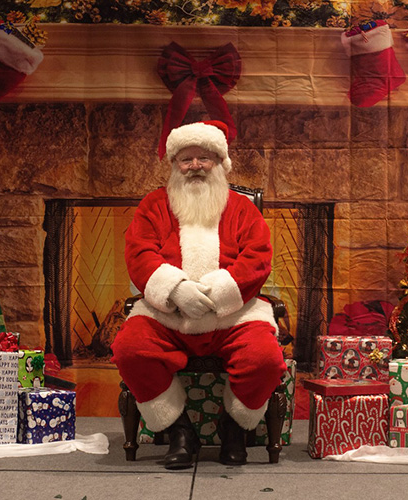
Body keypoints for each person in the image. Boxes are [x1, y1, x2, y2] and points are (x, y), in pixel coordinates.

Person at [111, 120, 286, 469]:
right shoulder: (153, 205)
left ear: (220, 162)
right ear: (174, 164)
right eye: (186, 159)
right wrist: (176, 289)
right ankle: (180, 431)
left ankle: (234, 427)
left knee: (265, 359)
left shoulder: (242, 209)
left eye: (203, 158)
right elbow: (139, 253)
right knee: (129, 350)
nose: (195, 166)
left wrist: (217, 293)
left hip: (231, 316)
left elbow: (258, 257)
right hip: (168, 315)